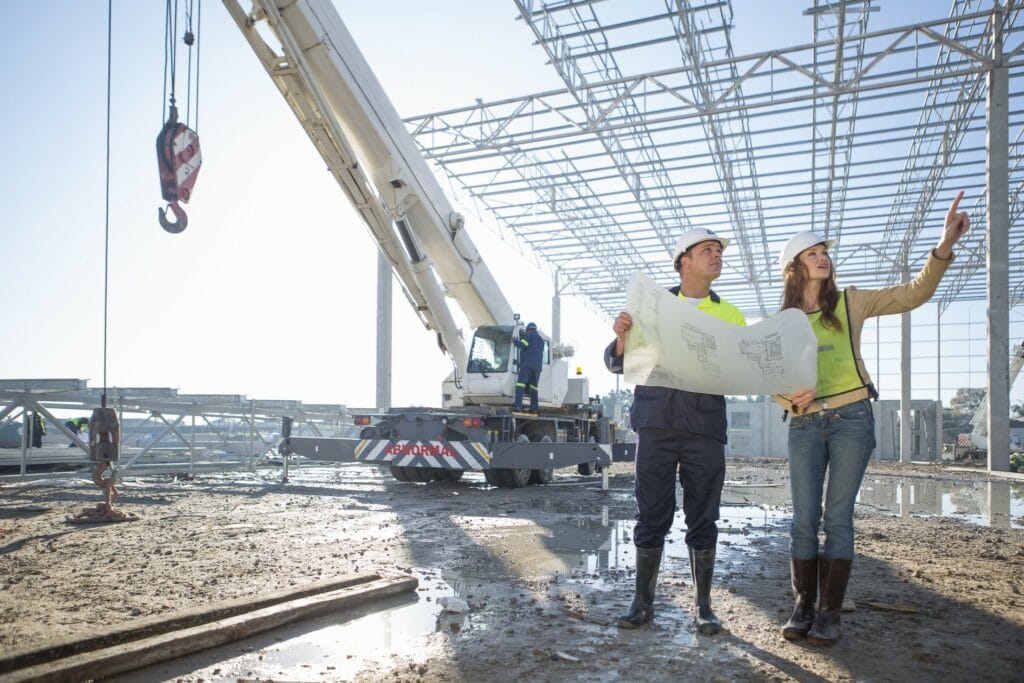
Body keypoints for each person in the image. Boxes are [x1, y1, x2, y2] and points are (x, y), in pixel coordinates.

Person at [775, 191, 970, 646]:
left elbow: (913, 293)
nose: (823, 258)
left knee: (837, 518)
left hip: (851, 420)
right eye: (813, 254)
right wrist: (788, 399)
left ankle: (829, 612)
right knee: (803, 519)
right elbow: (768, 377)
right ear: (795, 267)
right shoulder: (782, 320)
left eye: (825, 252)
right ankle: (803, 605)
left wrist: (942, 246)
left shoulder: (851, 302)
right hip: (804, 424)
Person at [605, 227, 746, 635]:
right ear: (684, 261)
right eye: (708, 250)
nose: (716, 255)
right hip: (656, 425)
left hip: (704, 427)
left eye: (719, 250)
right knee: (651, 514)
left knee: (704, 516)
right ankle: (642, 603)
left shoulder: (731, 315)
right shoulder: (652, 307)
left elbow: (741, 368)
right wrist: (620, 339)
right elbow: (617, 364)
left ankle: (703, 606)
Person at [513, 321, 544, 413]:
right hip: (537, 368)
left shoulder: (529, 335)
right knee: (533, 388)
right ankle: (534, 408)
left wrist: (514, 341)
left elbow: (522, 345)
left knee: (520, 385)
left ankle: (518, 406)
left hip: (527, 366)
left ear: (528, 329)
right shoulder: (541, 340)